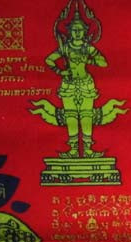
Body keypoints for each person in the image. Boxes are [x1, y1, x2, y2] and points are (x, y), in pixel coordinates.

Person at [45, 12, 107, 158]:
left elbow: (103, 63)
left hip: (86, 84)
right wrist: (60, 71)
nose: (77, 33)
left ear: (85, 31)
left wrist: (88, 61)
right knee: (70, 115)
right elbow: (49, 60)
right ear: (70, 31)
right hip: (69, 84)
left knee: (86, 116)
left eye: (80, 30)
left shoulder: (88, 48)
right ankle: (73, 149)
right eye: (74, 30)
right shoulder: (65, 48)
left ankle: (88, 149)